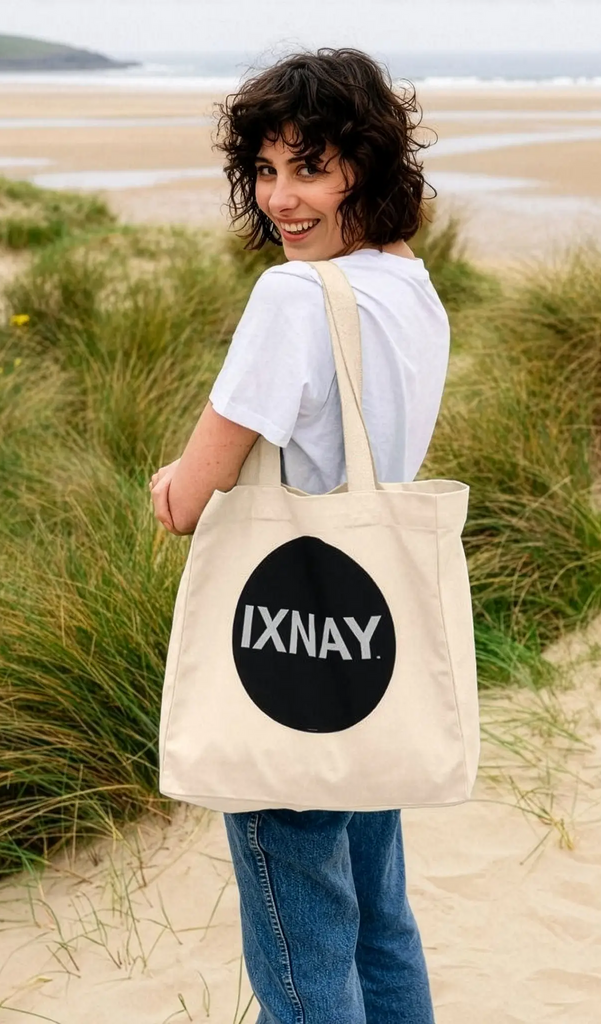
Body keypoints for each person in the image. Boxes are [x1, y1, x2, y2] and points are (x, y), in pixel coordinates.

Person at [149, 47, 448, 1023]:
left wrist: (167, 482)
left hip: (286, 652)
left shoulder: (294, 298)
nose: (281, 198)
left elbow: (188, 498)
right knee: (379, 922)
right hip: (370, 647)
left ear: (367, 166)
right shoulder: (408, 283)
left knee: (302, 949)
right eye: (266, 169)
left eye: (310, 167)